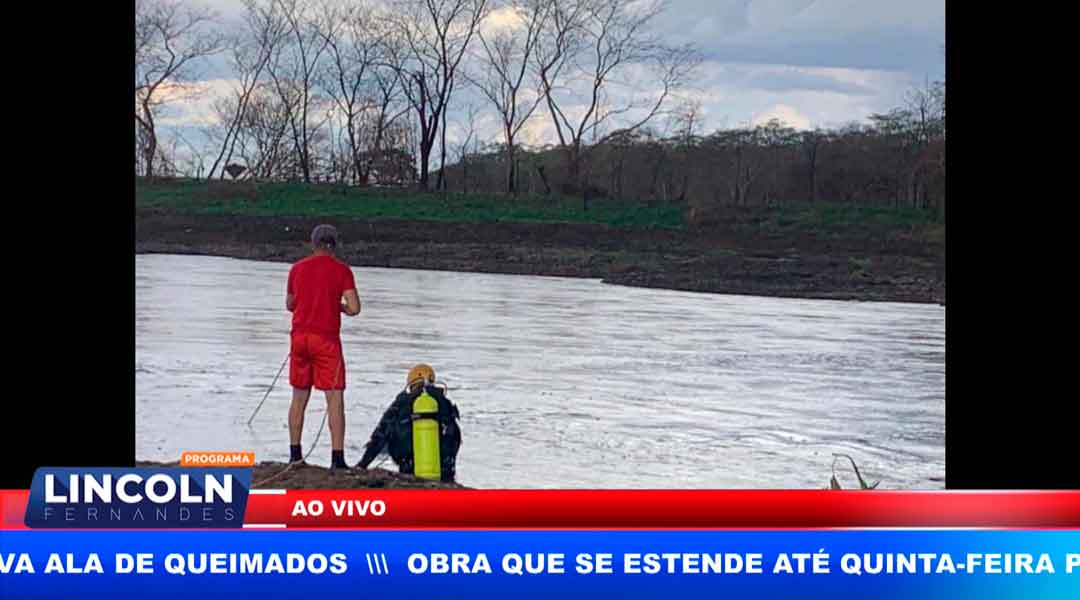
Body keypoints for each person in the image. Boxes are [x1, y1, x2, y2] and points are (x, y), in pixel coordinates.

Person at [286, 224, 361, 469]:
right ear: (334, 245)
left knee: (299, 396)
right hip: (326, 340)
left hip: (299, 338)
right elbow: (355, 308)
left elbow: (289, 304)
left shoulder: (297, 269)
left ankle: (295, 455)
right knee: (334, 398)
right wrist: (337, 305)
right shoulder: (342, 271)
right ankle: (337, 459)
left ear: (313, 243)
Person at [356, 364, 462, 483]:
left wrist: (363, 464)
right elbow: (456, 437)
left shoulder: (402, 402)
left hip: (409, 466)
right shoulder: (444, 403)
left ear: (410, 383)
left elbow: (380, 434)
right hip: (443, 469)